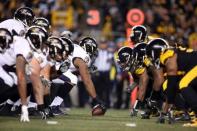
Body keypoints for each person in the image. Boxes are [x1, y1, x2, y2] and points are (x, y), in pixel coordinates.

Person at [0, 26, 48, 122]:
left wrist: (41, 107)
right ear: (36, 40)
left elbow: (35, 81)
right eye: (41, 42)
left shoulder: (29, 50)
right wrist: (24, 107)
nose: (42, 45)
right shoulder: (23, 46)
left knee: (12, 81)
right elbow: (21, 77)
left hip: (4, 67)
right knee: (11, 81)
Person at [146, 38, 197, 127]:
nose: (150, 58)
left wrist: (165, 111)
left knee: (183, 84)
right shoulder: (170, 53)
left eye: (150, 55)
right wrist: (164, 112)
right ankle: (186, 110)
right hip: (192, 67)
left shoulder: (168, 57)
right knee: (169, 85)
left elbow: (172, 86)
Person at [50, 37, 107, 115]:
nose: (93, 54)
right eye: (93, 50)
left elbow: (70, 67)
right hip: (54, 64)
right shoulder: (83, 55)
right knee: (72, 79)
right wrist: (96, 99)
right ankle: (52, 106)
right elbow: (87, 81)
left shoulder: (76, 49)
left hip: (53, 64)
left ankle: (45, 106)